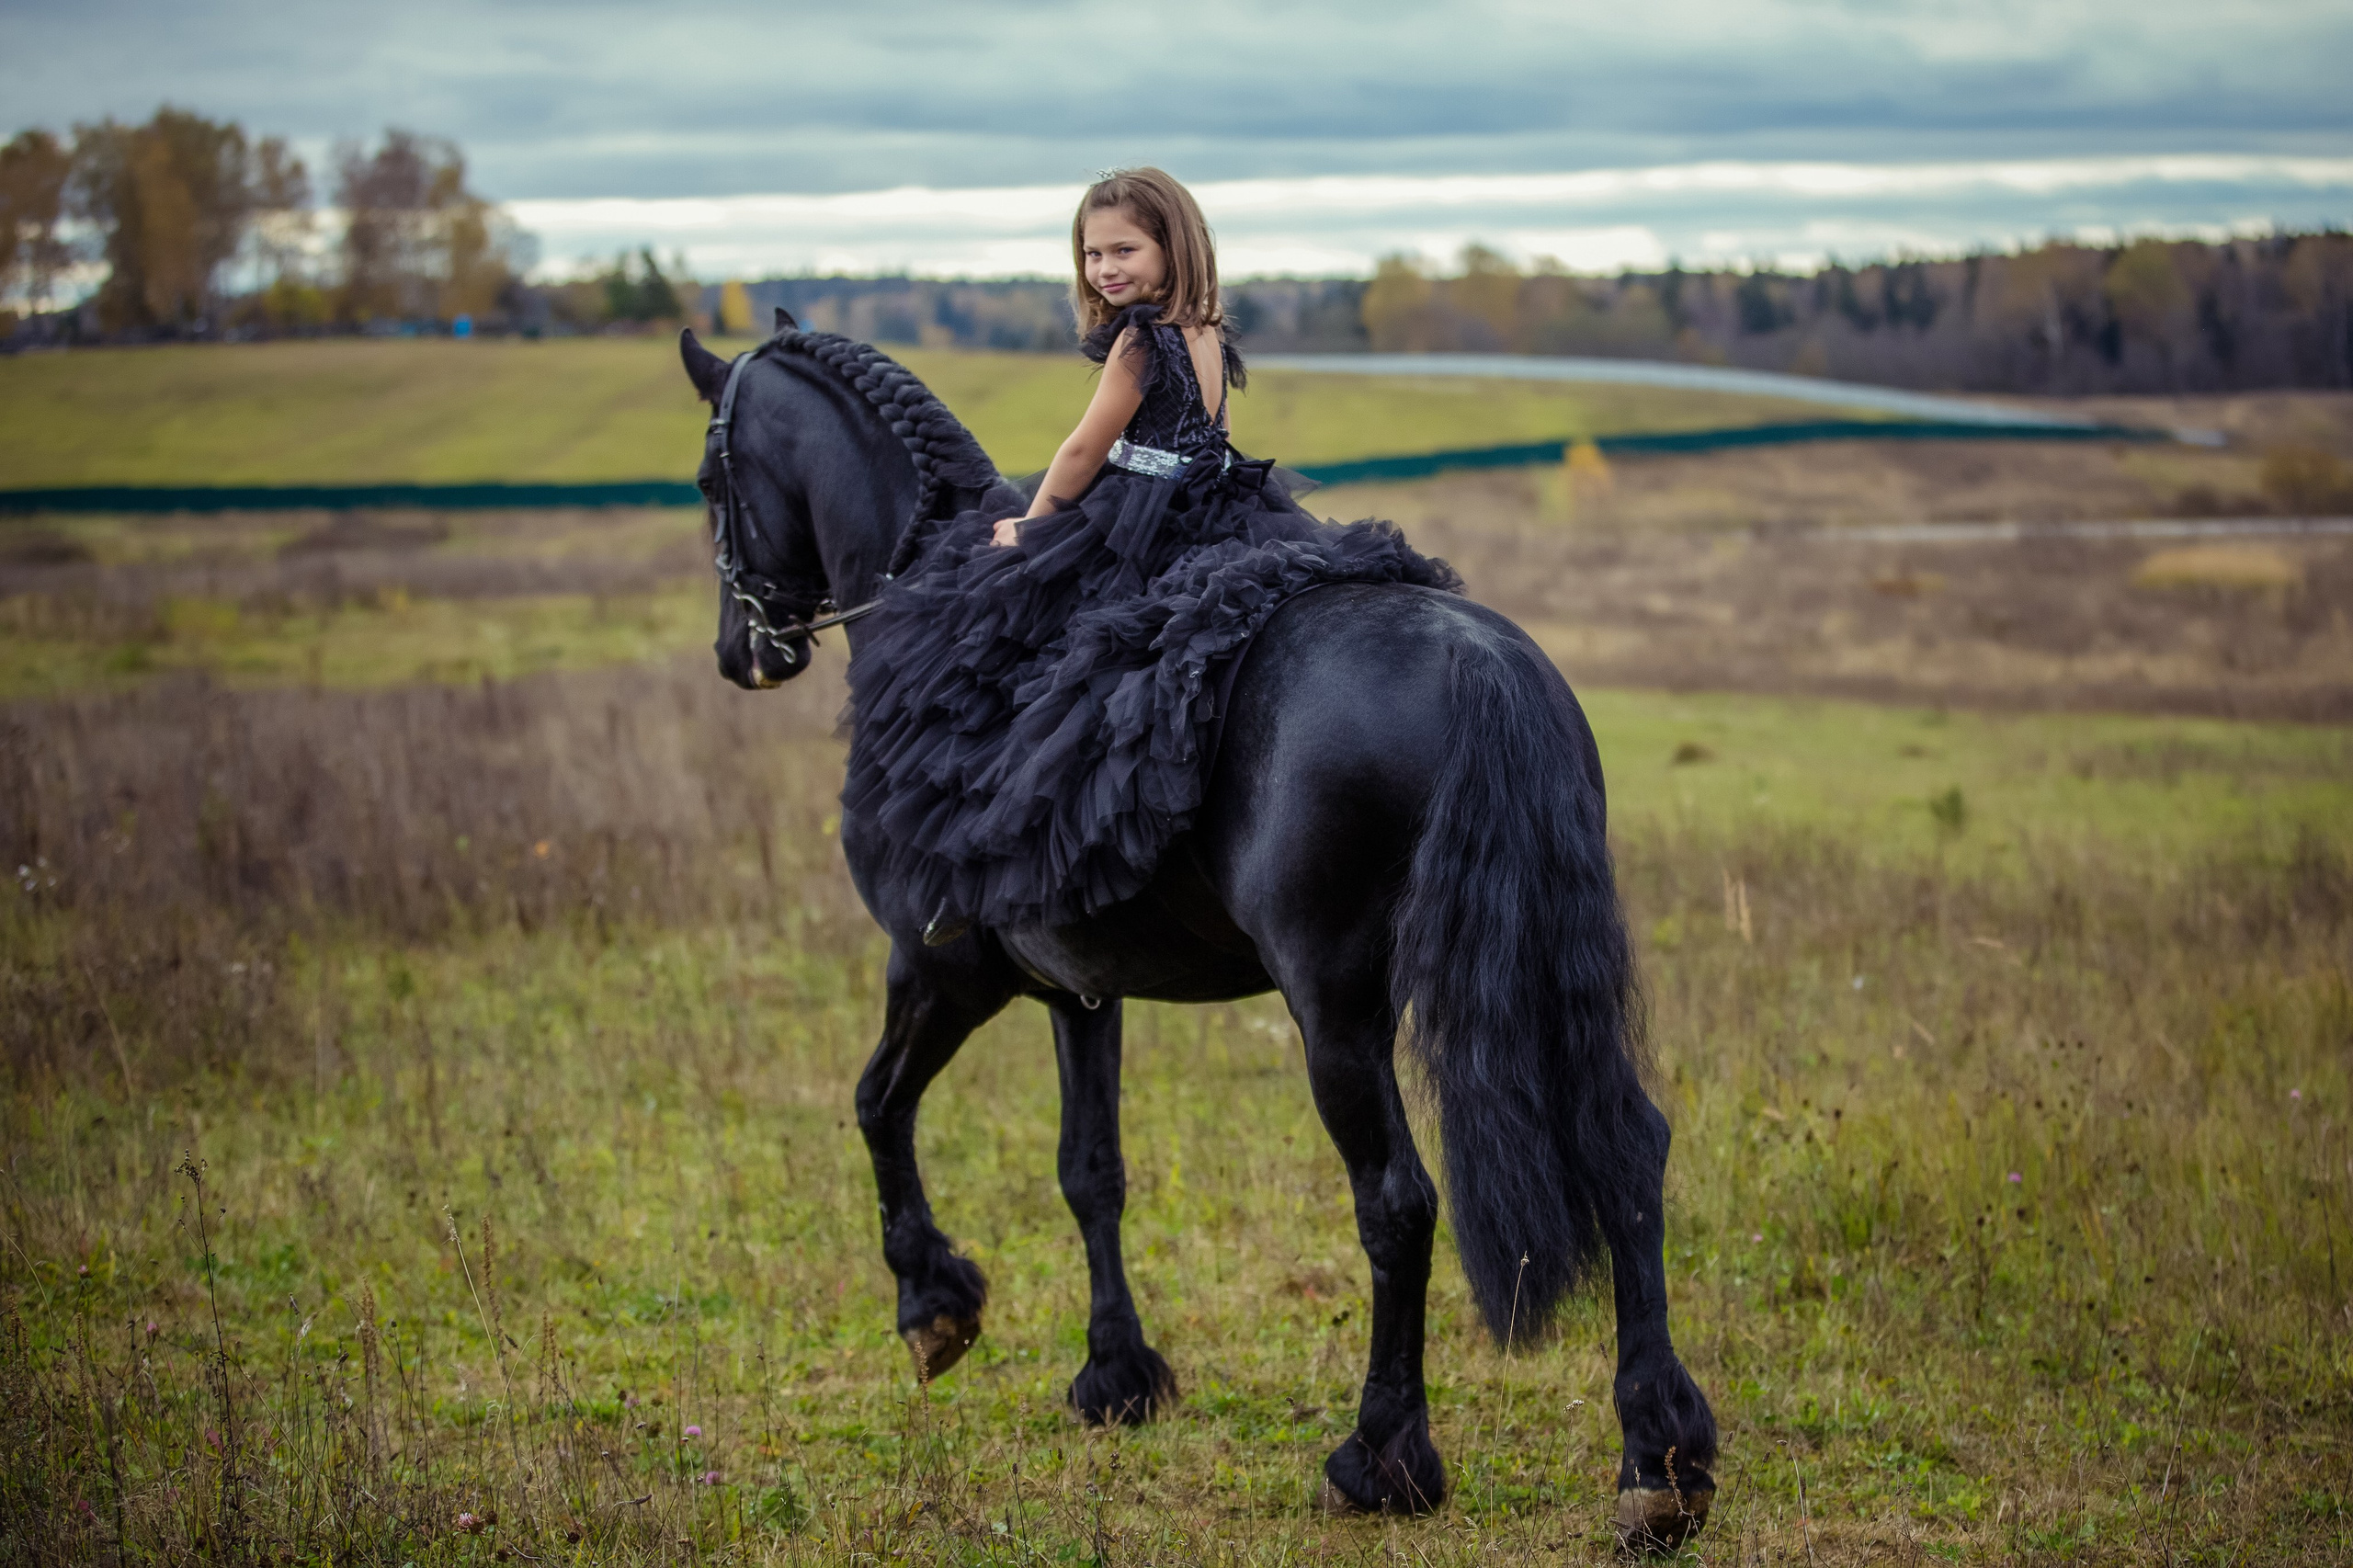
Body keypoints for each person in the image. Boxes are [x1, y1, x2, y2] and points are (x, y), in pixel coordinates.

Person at [842, 167, 1460, 938]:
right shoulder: (1204, 328)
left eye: (1124, 249)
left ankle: (973, 869)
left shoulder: (1140, 340)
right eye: (1093, 255)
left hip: (1141, 515)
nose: (1106, 269)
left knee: (1003, 643)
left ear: (1174, 245)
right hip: (1215, 505)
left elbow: (1079, 451)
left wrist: (1032, 529)